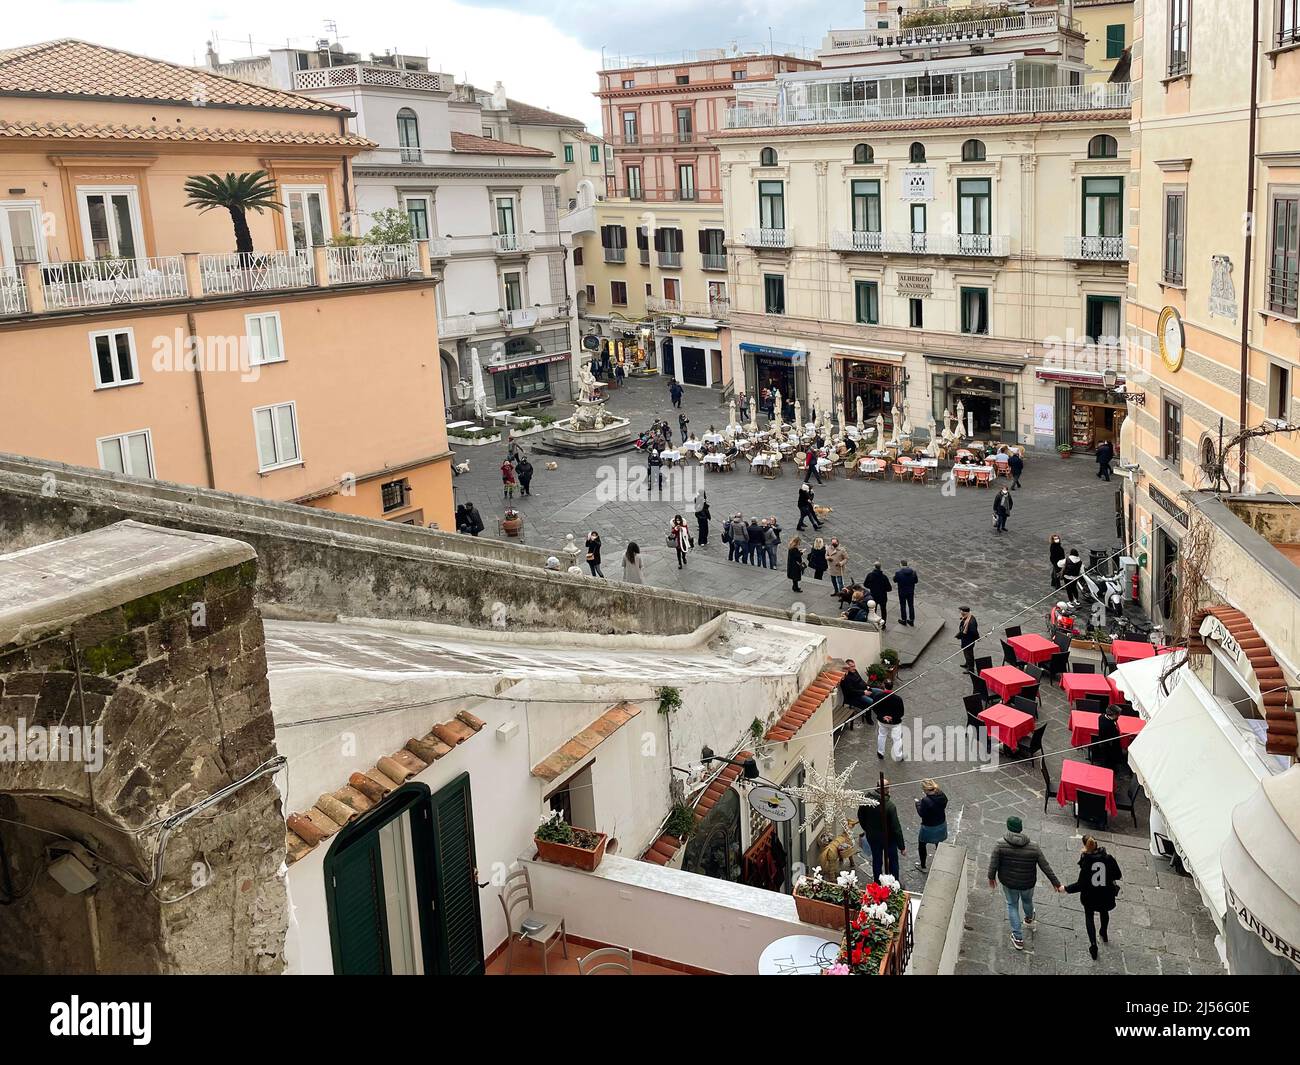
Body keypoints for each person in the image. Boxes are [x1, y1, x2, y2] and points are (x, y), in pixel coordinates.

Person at [987, 815, 1063, 951]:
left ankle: (1018, 937)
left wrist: (991, 877)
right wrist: (1056, 883)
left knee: (1012, 905)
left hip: (1009, 883)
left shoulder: (1000, 844)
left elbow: (993, 864)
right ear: (1021, 829)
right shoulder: (1034, 847)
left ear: (1008, 827)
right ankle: (1029, 919)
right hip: (1027, 883)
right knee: (1027, 901)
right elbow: (1045, 866)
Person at [1064, 836, 1123, 960]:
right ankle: (1104, 932)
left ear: (1085, 846)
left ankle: (1093, 945)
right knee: (1104, 912)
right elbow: (1118, 875)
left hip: (1090, 895)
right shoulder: (1108, 858)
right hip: (1106, 893)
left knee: (1089, 917)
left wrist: (1066, 889)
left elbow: (1080, 884)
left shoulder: (1087, 862)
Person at [858, 781, 905, 884]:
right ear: (886, 789)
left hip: (873, 837)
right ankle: (894, 882)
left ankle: (877, 882)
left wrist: (867, 829)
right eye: (888, 788)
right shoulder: (890, 806)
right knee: (893, 861)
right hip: (889, 839)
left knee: (877, 860)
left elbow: (861, 816)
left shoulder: (866, 800)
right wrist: (902, 846)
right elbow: (896, 828)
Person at [914, 780, 949, 872]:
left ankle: (923, 866)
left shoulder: (925, 800)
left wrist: (917, 803)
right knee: (939, 843)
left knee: (922, 844)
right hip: (941, 824)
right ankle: (940, 862)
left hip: (929, 827)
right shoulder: (941, 794)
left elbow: (922, 813)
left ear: (925, 789)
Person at [870, 679, 905, 761]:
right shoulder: (898, 699)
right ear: (892, 687)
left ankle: (880, 753)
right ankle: (898, 756)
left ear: (884, 686)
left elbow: (874, 708)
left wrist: (883, 716)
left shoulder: (878, 696)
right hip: (895, 723)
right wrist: (892, 717)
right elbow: (901, 713)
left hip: (882, 722)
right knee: (897, 739)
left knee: (882, 735)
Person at [1095, 705, 1124, 771]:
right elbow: (1115, 736)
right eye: (1118, 715)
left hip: (1103, 741)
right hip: (1109, 745)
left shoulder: (1101, 717)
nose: (1118, 716)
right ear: (1114, 715)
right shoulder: (1109, 725)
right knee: (1109, 759)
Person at [894, 560, 918, 627]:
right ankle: (911, 620)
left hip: (902, 592)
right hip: (910, 592)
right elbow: (916, 581)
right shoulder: (913, 572)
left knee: (903, 605)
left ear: (901, 565)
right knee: (911, 605)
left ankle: (904, 620)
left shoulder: (898, 573)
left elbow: (894, 580)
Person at [956, 606, 980, 674]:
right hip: (965, 639)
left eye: (961, 611)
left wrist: (976, 638)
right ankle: (967, 664)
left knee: (969, 654)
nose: (960, 612)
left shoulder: (971, 622)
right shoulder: (967, 617)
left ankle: (970, 669)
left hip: (968, 641)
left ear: (964, 612)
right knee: (966, 653)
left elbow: (974, 632)